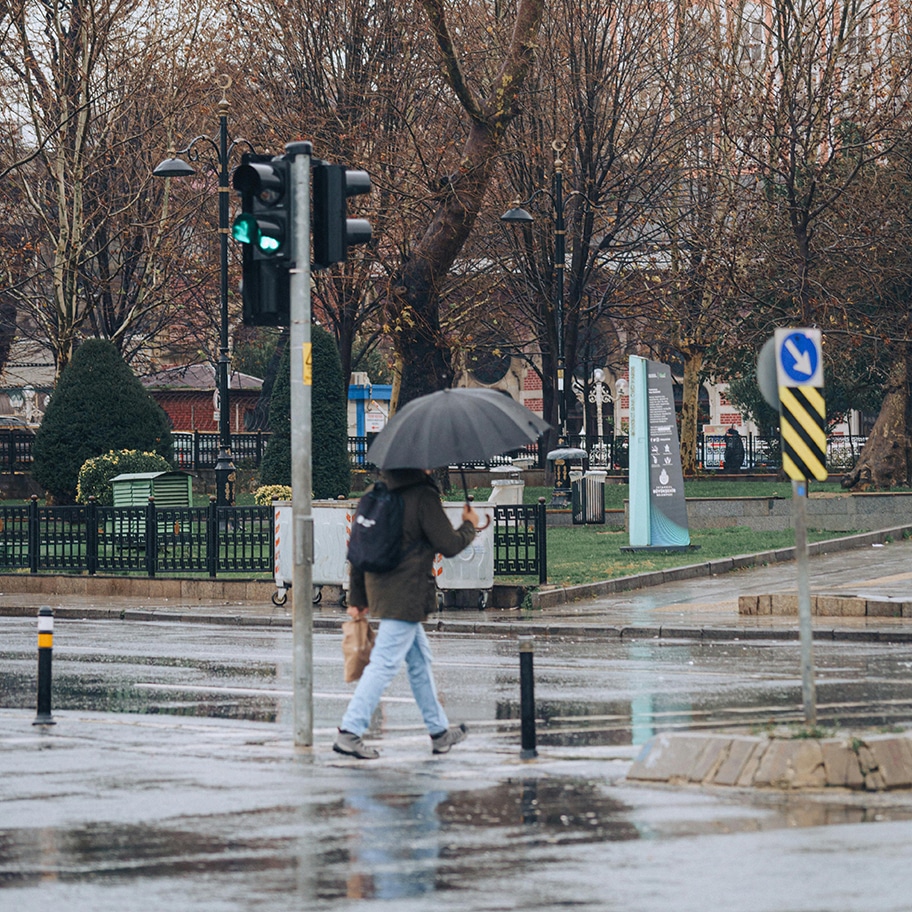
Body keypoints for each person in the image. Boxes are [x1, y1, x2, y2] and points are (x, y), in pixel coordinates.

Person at [334, 467, 483, 760]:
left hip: (380, 590)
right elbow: (449, 545)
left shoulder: (375, 494)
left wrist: (358, 597)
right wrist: (469, 525)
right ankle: (349, 731)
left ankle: (439, 733)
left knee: (419, 661)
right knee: (384, 663)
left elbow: (359, 550)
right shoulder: (422, 496)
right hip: (407, 593)